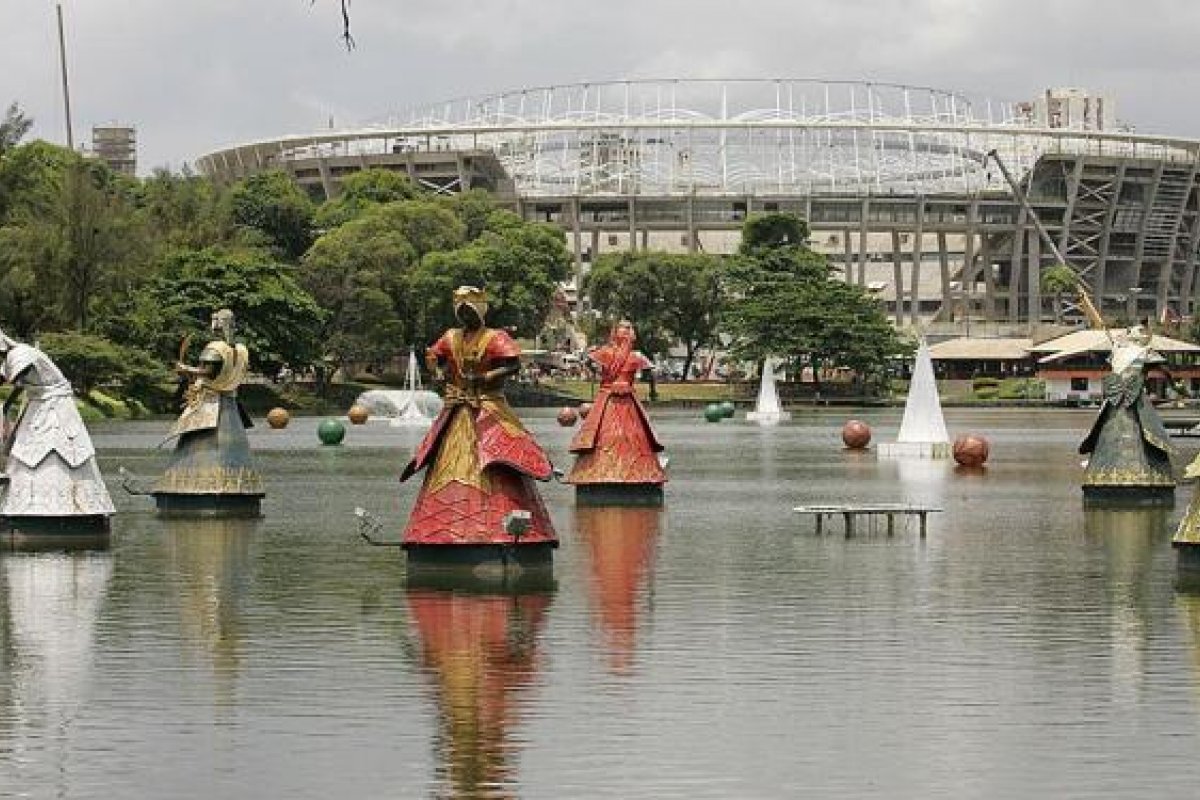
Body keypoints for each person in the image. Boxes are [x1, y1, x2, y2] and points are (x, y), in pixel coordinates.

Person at [400, 286, 557, 553]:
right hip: (458, 408)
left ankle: (501, 522)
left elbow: (513, 363)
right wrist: (438, 371)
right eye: (461, 313)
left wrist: (486, 378)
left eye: (470, 312)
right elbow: (433, 355)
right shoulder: (451, 337)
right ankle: (444, 529)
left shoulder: (494, 337)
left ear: (481, 312)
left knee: (502, 454)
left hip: (489, 405)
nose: (466, 318)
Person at [153, 309, 263, 514]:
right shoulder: (241, 350)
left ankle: (192, 489)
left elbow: (209, 372)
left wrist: (186, 369)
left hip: (211, 405)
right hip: (231, 407)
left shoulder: (217, 348)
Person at [0, 331, 114, 526]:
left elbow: (10, 380)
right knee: (27, 454)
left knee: (56, 451)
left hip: (53, 407)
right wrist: (5, 408)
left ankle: (70, 507)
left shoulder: (21, 353)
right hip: (38, 404)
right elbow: (18, 386)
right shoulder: (14, 358)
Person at [565, 320, 666, 498]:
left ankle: (629, 474)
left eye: (629, 328)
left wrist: (597, 375)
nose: (628, 331)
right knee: (606, 436)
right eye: (626, 328)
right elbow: (650, 373)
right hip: (611, 400)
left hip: (619, 401)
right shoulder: (612, 354)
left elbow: (589, 362)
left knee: (626, 437)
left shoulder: (628, 356)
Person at [1079, 325, 1176, 504]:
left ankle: (1105, 478)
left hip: (1119, 404)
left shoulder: (1118, 351)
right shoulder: (1140, 352)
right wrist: (1176, 387)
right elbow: (1166, 372)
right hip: (1129, 402)